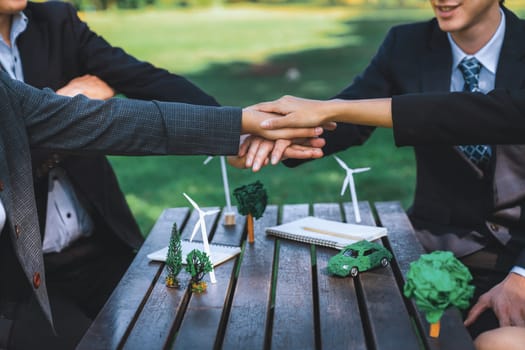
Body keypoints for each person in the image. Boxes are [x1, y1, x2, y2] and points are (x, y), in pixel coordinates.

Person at [0, 1, 324, 346]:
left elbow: (135, 95)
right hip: (17, 279)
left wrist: (236, 133)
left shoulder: (53, 18)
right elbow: (52, 126)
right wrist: (70, 105)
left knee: (189, 327)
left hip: (102, 245)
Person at [240, 0, 525, 338]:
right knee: (326, 326)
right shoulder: (406, 44)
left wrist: (522, 276)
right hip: (432, 247)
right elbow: (348, 121)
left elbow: (462, 114)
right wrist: (271, 138)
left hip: (517, 254)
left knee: (494, 342)